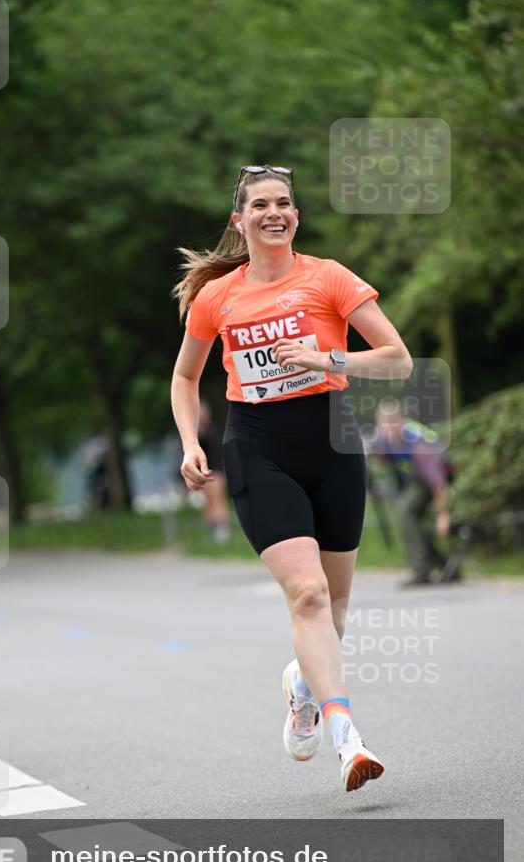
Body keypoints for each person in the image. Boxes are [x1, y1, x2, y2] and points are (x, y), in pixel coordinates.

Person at [171, 164, 413, 792]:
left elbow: (398, 359)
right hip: (258, 448)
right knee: (307, 596)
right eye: (260, 205)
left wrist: (324, 357)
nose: (273, 212)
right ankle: (347, 739)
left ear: (296, 217)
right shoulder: (217, 297)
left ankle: (303, 685)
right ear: (240, 220)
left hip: (333, 443)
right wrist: (191, 442)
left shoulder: (328, 277)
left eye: (283, 203)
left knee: (334, 614)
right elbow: (186, 376)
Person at [371, 398, 456, 585]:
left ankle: (421, 571)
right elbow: (385, 459)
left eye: (393, 422)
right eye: (384, 423)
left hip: (433, 482)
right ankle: (447, 566)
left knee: (405, 512)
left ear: (401, 420)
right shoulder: (383, 440)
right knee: (413, 524)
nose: (388, 427)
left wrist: (443, 515)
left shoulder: (418, 444)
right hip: (414, 482)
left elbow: (439, 483)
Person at [197, 400, 231, 544]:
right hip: (203, 471)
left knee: (218, 499)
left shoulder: (212, 430)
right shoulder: (193, 434)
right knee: (208, 501)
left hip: (216, 470)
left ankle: (222, 529)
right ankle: (213, 530)